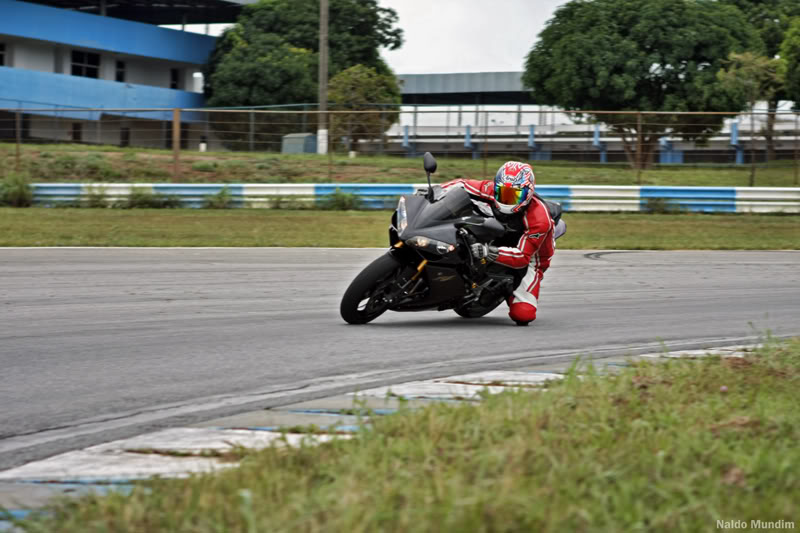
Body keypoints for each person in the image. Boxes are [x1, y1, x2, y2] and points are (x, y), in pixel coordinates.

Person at [441, 161, 556, 326]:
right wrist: (436, 191)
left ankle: (506, 288)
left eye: (514, 195)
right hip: (500, 235)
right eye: (502, 193)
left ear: (528, 194)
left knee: (523, 315)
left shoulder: (539, 220)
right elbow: (461, 184)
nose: (506, 200)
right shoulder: (489, 189)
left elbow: (522, 257)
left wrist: (488, 252)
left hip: (530, 256)